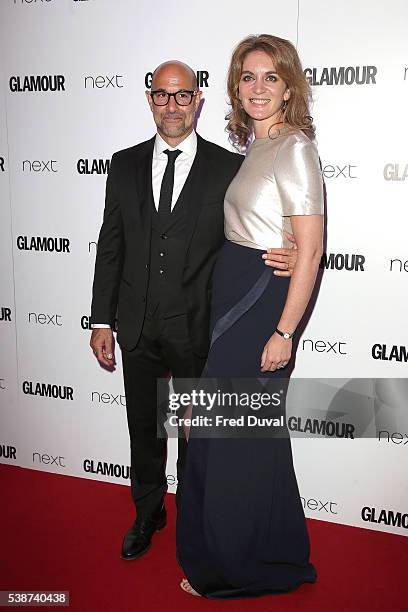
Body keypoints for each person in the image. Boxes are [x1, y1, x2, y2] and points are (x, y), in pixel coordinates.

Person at [89, 60, 297, 562]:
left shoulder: (229, 167)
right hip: (136, 325)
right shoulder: (124, 163)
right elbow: (110, 246)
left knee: (195, 434)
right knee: (144, 426)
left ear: (198, 100)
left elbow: (259, 220)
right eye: (162, 95)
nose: (172, 105)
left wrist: (289, 248)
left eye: (182, 96)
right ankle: (147, 513)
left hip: (198, 327)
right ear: (150, 100)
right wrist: (101, 319)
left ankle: (196, 521)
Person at [176, 34, 324, 598]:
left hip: (260, 302)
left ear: (289, 87)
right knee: (236, 435)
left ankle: (238, 568)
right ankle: (268, 551)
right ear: (235, 87)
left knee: (233, 436)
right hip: (233, 290)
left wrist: (285, 331)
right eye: (247, 77)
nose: (258, 88)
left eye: (270, 78)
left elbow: (309, 249)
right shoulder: (256, 148)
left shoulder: (294, 147)